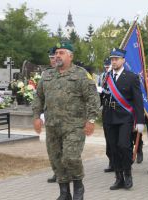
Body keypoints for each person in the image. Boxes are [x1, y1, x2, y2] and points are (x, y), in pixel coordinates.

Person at [32, 41, 100, 200]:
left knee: (70, 157)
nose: (57, 56)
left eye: (61, 52)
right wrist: (36, 116)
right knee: (56, 159)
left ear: (70, 56)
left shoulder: (80, 74)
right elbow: (38, 97)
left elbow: (93, 98)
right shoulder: (47, 75)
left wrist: (91, 120)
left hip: (74, 126)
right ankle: (64, 192)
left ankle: (78, 186)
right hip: (52, 126)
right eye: (56, 53)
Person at [99, 48, 145, 190]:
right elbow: (103, 96)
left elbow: (138, 101)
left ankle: (128, 174)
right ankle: (119, 178)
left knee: (124, 146)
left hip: (125, 117)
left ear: (123, 60)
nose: (114, 61)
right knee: (113, 148)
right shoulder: (106, 77)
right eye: (112, 59)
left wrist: (141, 121)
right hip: (109, 116)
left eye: (116, 59)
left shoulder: (131, 77)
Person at [99, 58, 115, 173]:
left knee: (121, 141)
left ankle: (122, 162)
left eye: (108, 66)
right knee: (109, 138)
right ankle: (111, 161)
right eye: (105, 67)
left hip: (120, 110)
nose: (107, 68)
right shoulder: (103, 77)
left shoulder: (117, 76)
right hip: (106, 110)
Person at [45, 46, 57, 184]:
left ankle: (67, 173)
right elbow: (41, 95)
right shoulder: (46, 74)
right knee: (52, 148)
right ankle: (57, 172)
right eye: (51, 58)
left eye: (54, 57)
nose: (53, 60)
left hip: (68, 120)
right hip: (50, 119)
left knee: (66, 150)